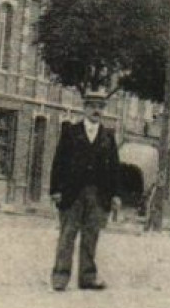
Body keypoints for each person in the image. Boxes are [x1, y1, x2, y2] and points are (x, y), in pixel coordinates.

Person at [48, 90, 122, 292]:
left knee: (91, 236)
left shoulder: (108, 137)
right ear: (85, 108)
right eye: (92, 106)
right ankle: (60, 277)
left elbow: (115, 168)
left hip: (98, 195)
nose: (96, 111)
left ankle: (87, 277)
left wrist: (115, 195)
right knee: (67, 235)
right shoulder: (71, 133)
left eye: (100, 107)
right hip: (72, 194)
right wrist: (55, 190)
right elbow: (58, 163)